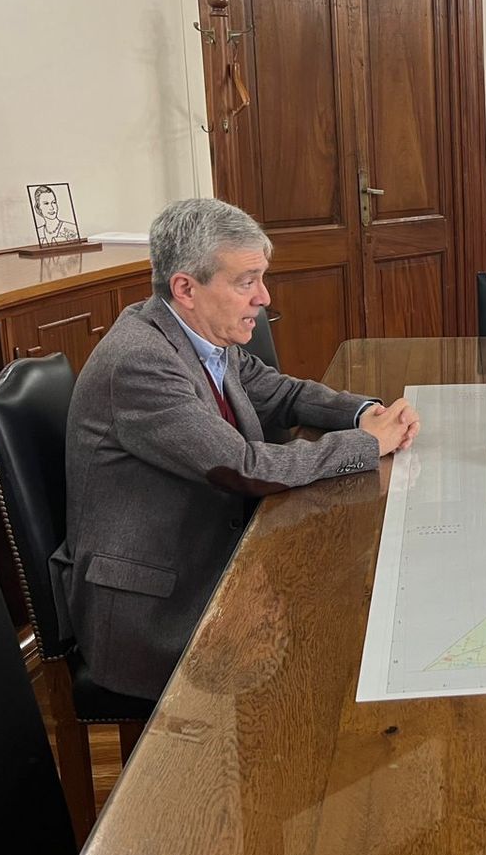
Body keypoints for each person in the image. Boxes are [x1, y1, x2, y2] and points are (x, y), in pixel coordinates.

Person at [55, 198, 420, 701]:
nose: (264, 298)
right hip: (157, 609)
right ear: (185, 288)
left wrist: (364, 414)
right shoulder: (140, 362)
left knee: (358, 601)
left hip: (210, 557)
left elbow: (281, 392)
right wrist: (364, 445)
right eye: (246, 281)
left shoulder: (198, 336)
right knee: (340, 642)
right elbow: (244, 467)